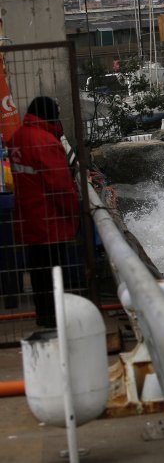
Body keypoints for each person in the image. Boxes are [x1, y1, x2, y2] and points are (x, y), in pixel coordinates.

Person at [8, 96, 80, 328]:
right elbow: (59, 185)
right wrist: (74, 214)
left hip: (27, 217)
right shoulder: (45, 141)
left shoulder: (17, 138)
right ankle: (55, 320)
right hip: (51, 221)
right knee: (54, 273)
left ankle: (44, 316)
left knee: (39, 272)